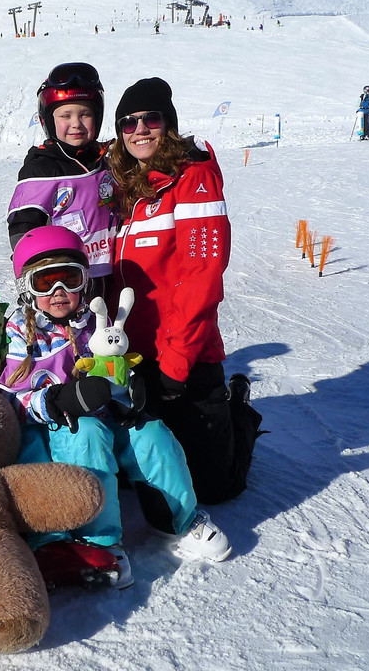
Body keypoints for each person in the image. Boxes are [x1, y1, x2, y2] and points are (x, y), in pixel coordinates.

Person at [0, 226, 231, 591]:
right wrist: (56, 400)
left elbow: (120, 365)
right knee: (86, 435)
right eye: (45, 282)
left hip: (111, 418)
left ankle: (178, 519)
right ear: (27, 288)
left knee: (153, 434)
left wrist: (131, 392)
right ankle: (99, 540)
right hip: (60, 430)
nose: (59, 293)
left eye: (69, 280)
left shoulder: (97, 323)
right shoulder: (21, 333)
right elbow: (8, 398)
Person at [108, 77, 264, 505]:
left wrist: (175, 365)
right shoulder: (126, 188)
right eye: (128, 122)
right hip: (133, 354)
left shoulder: (192, 178)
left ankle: (237, 411)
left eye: (150, 118)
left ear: (169, 124)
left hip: (185, 355)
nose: (139, 129)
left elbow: (203, 277)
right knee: (140, 477)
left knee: (216, 487)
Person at [7, 62, 118, 285]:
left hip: (114, 274)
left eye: (85, 114)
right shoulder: (41, 170)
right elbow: (23, 230)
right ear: (48, 120)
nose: (76, 123)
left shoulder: (105, 163)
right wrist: (37, 275)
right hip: (69, 282)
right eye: (65, 116)